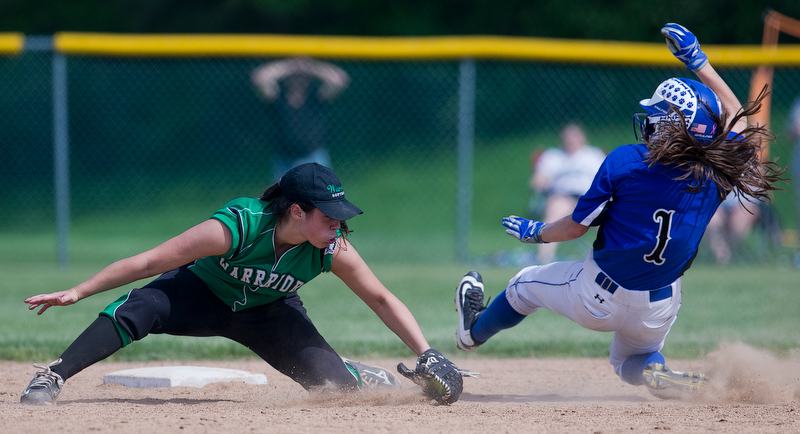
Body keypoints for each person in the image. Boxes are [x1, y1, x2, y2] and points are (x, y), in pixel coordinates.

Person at [454, 23, 785, 399]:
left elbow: (575, 228)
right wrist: (700, 62)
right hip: (659, 304)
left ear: (670, 125)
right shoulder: (719, 173)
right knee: (630, 363)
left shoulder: (628, 160)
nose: (648, 119)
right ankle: (655, 369)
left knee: (523, 286)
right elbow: (743, 122)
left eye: (655, 114)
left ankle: (470, 334)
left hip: (596, 295)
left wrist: (536, 232)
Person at [20, 163, 463, 406]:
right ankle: (52, 376)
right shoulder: (238, 226)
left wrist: (427, 353)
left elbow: (381, 299)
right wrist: (79, 291)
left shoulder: (332, 247)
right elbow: (151, 260)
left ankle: (353, 371)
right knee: (141, 307)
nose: (338, 224)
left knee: (338, 391)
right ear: (295, 211)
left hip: (269, 315)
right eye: (329, 215)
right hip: (200, 294)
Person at [251, 57, 350, 180]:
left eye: (302, 76)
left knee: (318, 197)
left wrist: (310, 66)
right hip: (284, 160)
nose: (298, 79)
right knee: (283, 198)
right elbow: (259, 78)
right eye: (294, 76)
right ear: (286, 78)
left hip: (314, 158)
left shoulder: (315, 98)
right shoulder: (277, 97)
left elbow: (340, 80)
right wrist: (289, 66)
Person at [528, 123, 606, 263]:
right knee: (556, 208)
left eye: (574, 136)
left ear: (583, 138)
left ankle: (611, 256)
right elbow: (538, 180)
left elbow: (606, 180)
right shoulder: (553, 157)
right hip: (562, 198)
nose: (571, 140)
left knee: (606, 216)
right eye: (568, 137)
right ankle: (544, 259)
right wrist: (541, 181)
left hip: (589, 198)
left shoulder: (593, 156)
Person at [704, 192, 761, 265]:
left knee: (743, 215)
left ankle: (729, 254)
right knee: (710, 218)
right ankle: (722, 255)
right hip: (715, 202)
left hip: (744, 202)